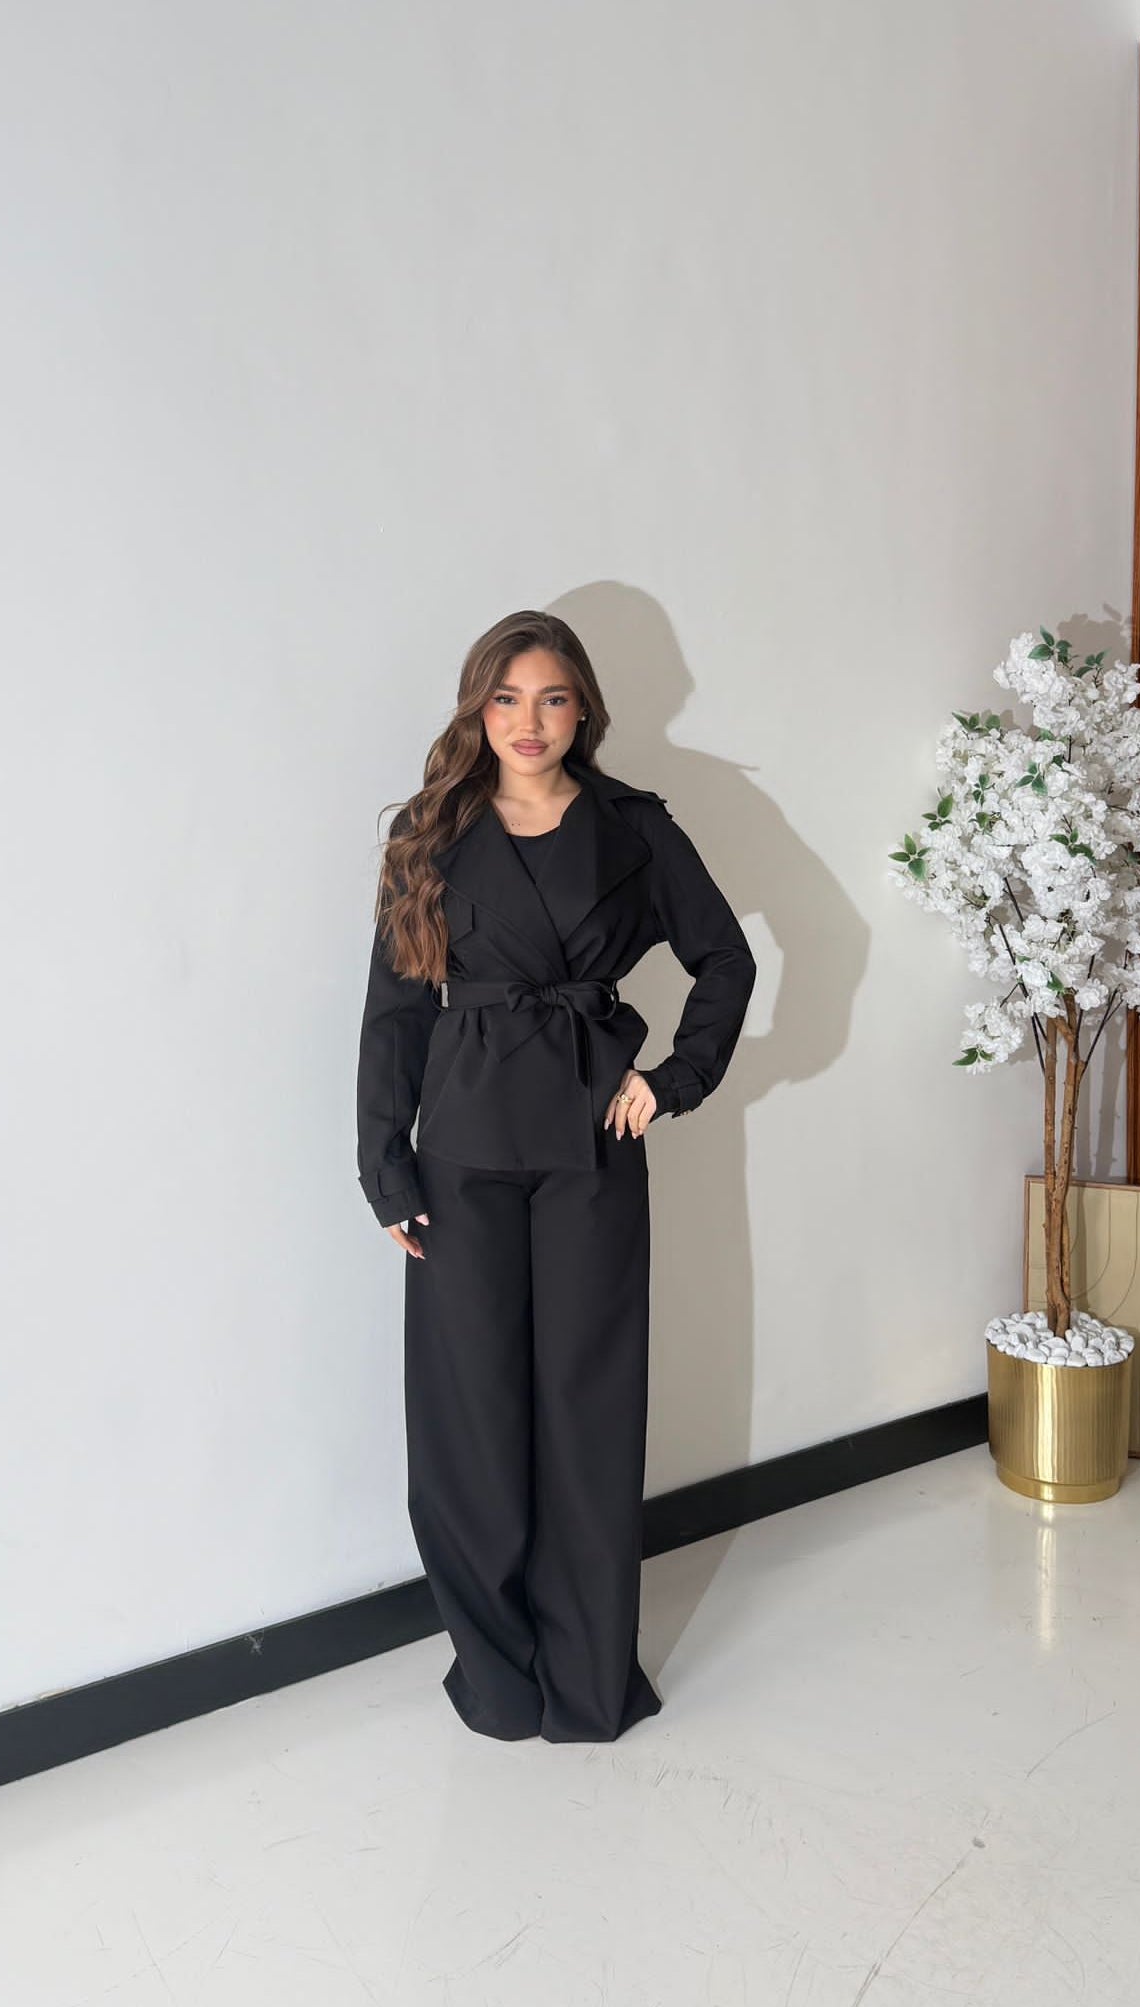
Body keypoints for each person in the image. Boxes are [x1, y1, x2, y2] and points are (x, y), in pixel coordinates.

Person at [355, 609, 757, 1742]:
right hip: (462, 1150)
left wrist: (672, 1080)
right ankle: (497, 1676)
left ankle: (587, 1678)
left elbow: (725, 956)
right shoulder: (430, 833)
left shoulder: (634, 827)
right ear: (477, 708)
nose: (527, 722)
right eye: (505, 698)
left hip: (591, 1141)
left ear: (584, 710)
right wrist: (385, 1165)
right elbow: (394, 1009)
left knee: (588, 1408)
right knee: (469, 1419)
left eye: (551, 698)